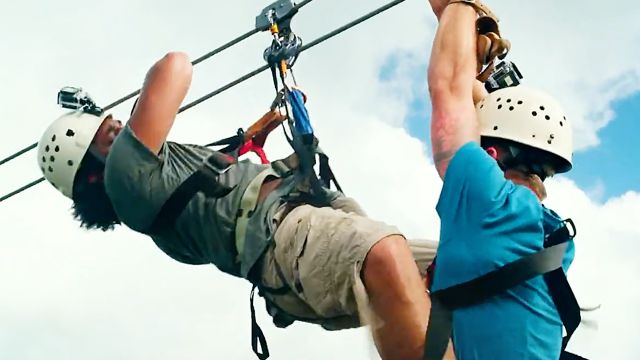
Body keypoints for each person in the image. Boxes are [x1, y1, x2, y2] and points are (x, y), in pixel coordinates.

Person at [37, 51, 441, 360]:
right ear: (94, 172)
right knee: (384, 255)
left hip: (299, 226)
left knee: (462, 268)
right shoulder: (125, 176)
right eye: (111, 134)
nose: (122, 130)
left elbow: (222, 195)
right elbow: (175, 67)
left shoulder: (154, 191)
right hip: (283, 238)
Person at [426, 0, 578, 358]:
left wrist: (459, 7)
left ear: (490, 155)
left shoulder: (486, 199)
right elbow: (472, 99)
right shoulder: (551, 232)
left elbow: (448, 88)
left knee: (388, 255)